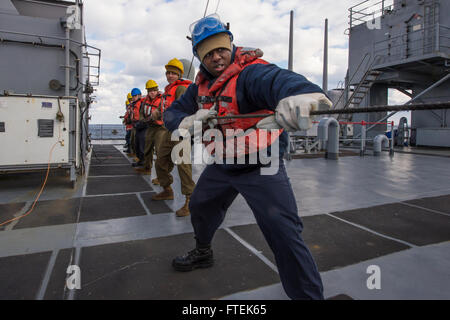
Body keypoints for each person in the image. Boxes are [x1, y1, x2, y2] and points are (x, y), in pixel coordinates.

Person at [163, 14, 332, 300]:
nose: (217, 57)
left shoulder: (251, 74)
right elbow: (172, 112)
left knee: (282, 230)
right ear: (200, 58)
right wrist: (185, 120)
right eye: (208, 53)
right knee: (202, 207)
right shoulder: (198, 88)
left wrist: (306, 96)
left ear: (231, 44)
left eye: (221, 49)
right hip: (223, 164)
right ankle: (203, 252)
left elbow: (279, 80)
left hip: (262, 164)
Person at [150, 58, 196, 217]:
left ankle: (190, 201)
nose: (170, 76)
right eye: (168, 73)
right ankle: (167, 190)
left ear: (179, 74)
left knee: (183, 165)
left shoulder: (181, 89)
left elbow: (184, 109)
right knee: (161, 161)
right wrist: (157, 112)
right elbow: (168, 109)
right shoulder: (167, 91)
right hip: (168, 130)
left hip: (181, 130)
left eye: (173, 73)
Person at [135, 80, 164, 177]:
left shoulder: (162, 100)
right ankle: (147, 168)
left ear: (157, 90)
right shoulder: (145, 101)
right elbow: (141, 113)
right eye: (150, 90)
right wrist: (143, 120)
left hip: (160, 127)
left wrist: (152, 117)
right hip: (150, 127)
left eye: (154, 90)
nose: (152, 92)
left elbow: (161, 113)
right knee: (147, 148)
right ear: (147, 91)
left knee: (159, 151)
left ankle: (159, 176)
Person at [129, 88, 144, 165]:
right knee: (136, 145)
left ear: (140, 95)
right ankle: (140, 160)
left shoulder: (142, 103)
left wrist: (141, 123)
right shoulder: (133, 105)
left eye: (135, 96)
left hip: (142, 126)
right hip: (136, 126)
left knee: (142, 146)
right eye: (133, 96)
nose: (134, 97)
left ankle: (144, 163)